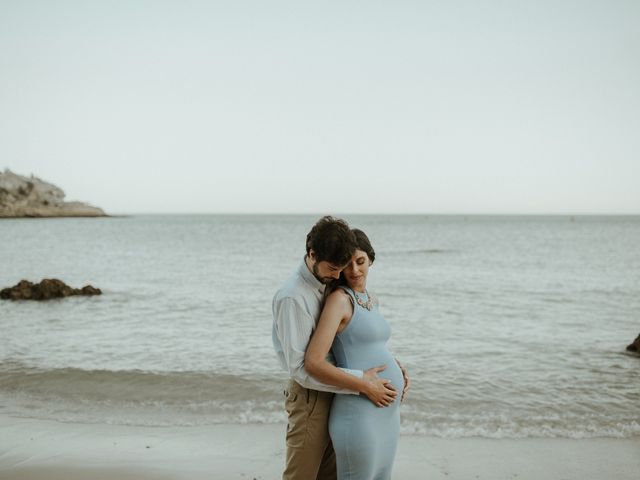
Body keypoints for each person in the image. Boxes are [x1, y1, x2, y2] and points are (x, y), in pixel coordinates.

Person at [272, 216, 399, 480]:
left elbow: (356, 338)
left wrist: (395, 367)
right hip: (311, 396)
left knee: (329, 475)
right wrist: (362, 383)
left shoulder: (329, 283)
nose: (340, 275)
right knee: (302, 475)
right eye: (334, 268)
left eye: (345, 266)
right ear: (312, 254)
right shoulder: (293, 297)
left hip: (339, 391)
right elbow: (302, 368)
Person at [305, 228, 408, 480]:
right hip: (359, 414)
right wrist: (364, 384)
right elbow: (313, 362)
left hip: (386, 414)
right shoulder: (340, 300)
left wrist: (396, 366)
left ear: (371, 259)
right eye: (347, 264)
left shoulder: (372, 299)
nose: (354, 270)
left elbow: (366, 343)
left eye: (360, 262)